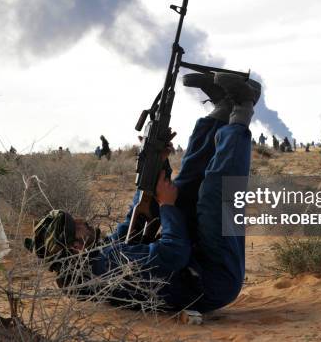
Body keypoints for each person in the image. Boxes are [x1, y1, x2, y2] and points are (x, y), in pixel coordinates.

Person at [25, 72, 261, 313]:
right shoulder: (109, 264)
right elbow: (174, 253)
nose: (81, 220)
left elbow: (133, 225)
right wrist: (167, 206)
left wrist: (152, 171)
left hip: (195, 265)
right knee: (214, 195)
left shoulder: (92, 260)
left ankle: (222, 109)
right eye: (75, 225)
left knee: (187, 180)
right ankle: (243, 106)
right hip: (212, 280)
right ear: (76, 247)